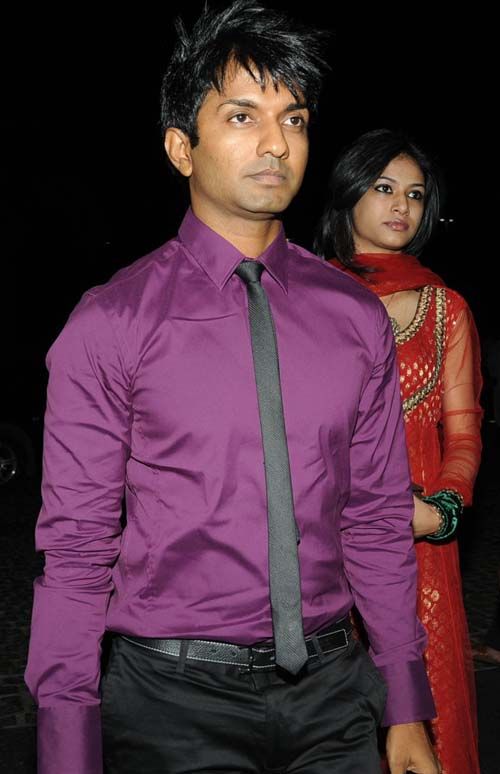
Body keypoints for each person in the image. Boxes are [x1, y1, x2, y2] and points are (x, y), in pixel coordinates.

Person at [25, 6, 440, 773]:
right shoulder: (112, 322)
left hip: (335, 697)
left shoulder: (354, 318)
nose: (277, 143)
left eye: (295, 119)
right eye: (243, 116)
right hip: (169, 702)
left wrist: (406, 703)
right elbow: (77, 548)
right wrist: (66, 747)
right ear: (181, 147)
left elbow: (377, 519)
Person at [315, 128, 482, 773]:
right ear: (349, 194)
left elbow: (462, 432)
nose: (401, 206)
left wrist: (441, 511)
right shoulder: (303, 298)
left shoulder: (445, 309)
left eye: (415, 194)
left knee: (425, 716)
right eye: (384, 188)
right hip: (319, 541)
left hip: (418, 548)